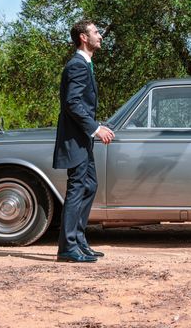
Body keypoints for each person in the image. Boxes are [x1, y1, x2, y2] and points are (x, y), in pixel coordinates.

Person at [53, 19, 115, 263]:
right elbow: (72, 103)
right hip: (76, 138)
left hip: (82, 139)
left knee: (89, 185)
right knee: (77, 188)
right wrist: (95, 128)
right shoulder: (77, 65)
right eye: (96, 32)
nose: (100, 36)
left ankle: (78, 240)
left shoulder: (85, 64)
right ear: (83, 37)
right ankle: (67, 247)